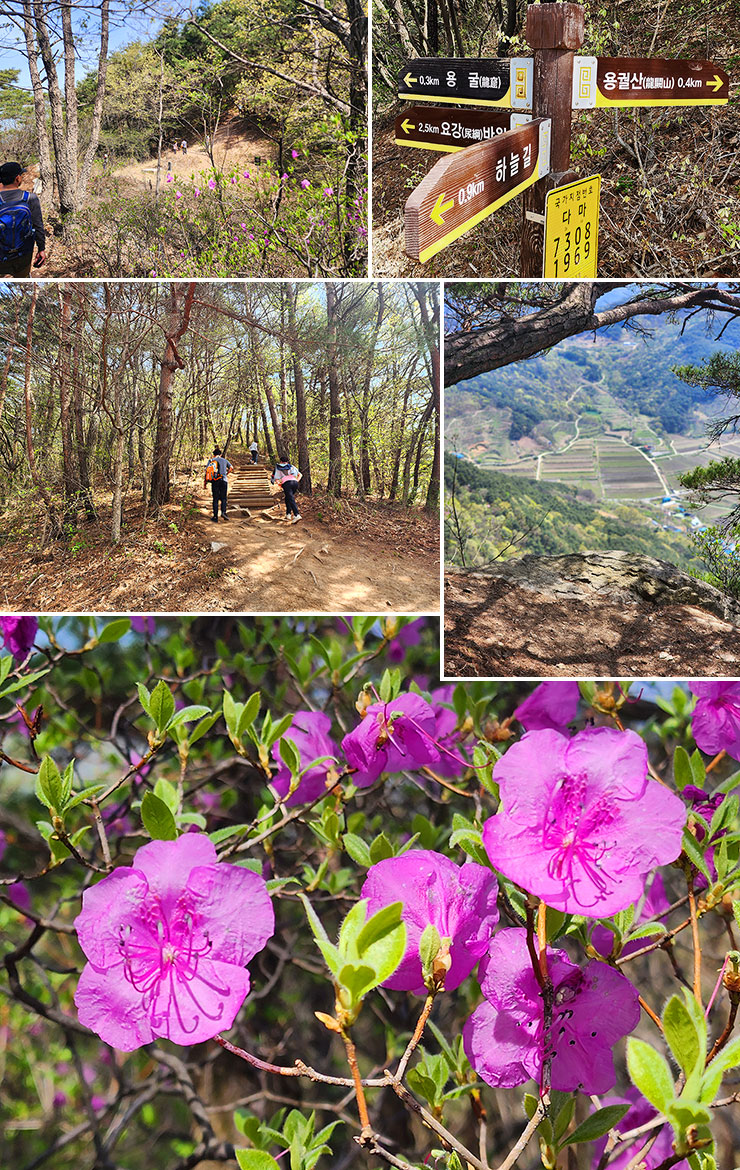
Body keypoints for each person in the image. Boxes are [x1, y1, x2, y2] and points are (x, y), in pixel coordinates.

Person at [0, 162, 46, 278]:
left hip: (1, 255)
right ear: (17, 178)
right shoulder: (30, 198)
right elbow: (38, 226)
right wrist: (41, 249)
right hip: (24, 254)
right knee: (22, 277)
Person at [204, 446, 232, 522]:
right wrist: (226, 474)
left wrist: (205, 483)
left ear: (213, 455)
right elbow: (231, 468)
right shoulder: (225, 460)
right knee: (223, 498)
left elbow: (207, 471)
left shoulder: (211, 460)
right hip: (224, 480)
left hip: (215, 481)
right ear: (220, 454)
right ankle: (223, 512)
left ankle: (215, 517)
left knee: (215, 499)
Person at [271, 457, 302, 523]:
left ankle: (297, 515)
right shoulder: (291, 466)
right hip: (295, 483)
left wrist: (279, 484)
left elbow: (276, 479)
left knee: (291, 499)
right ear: (287, 461)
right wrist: (296, 481)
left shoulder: (279, 467)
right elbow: (300, 475)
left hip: (287, 484)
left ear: (281, 461)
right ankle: (288, 514)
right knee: (288, 498)